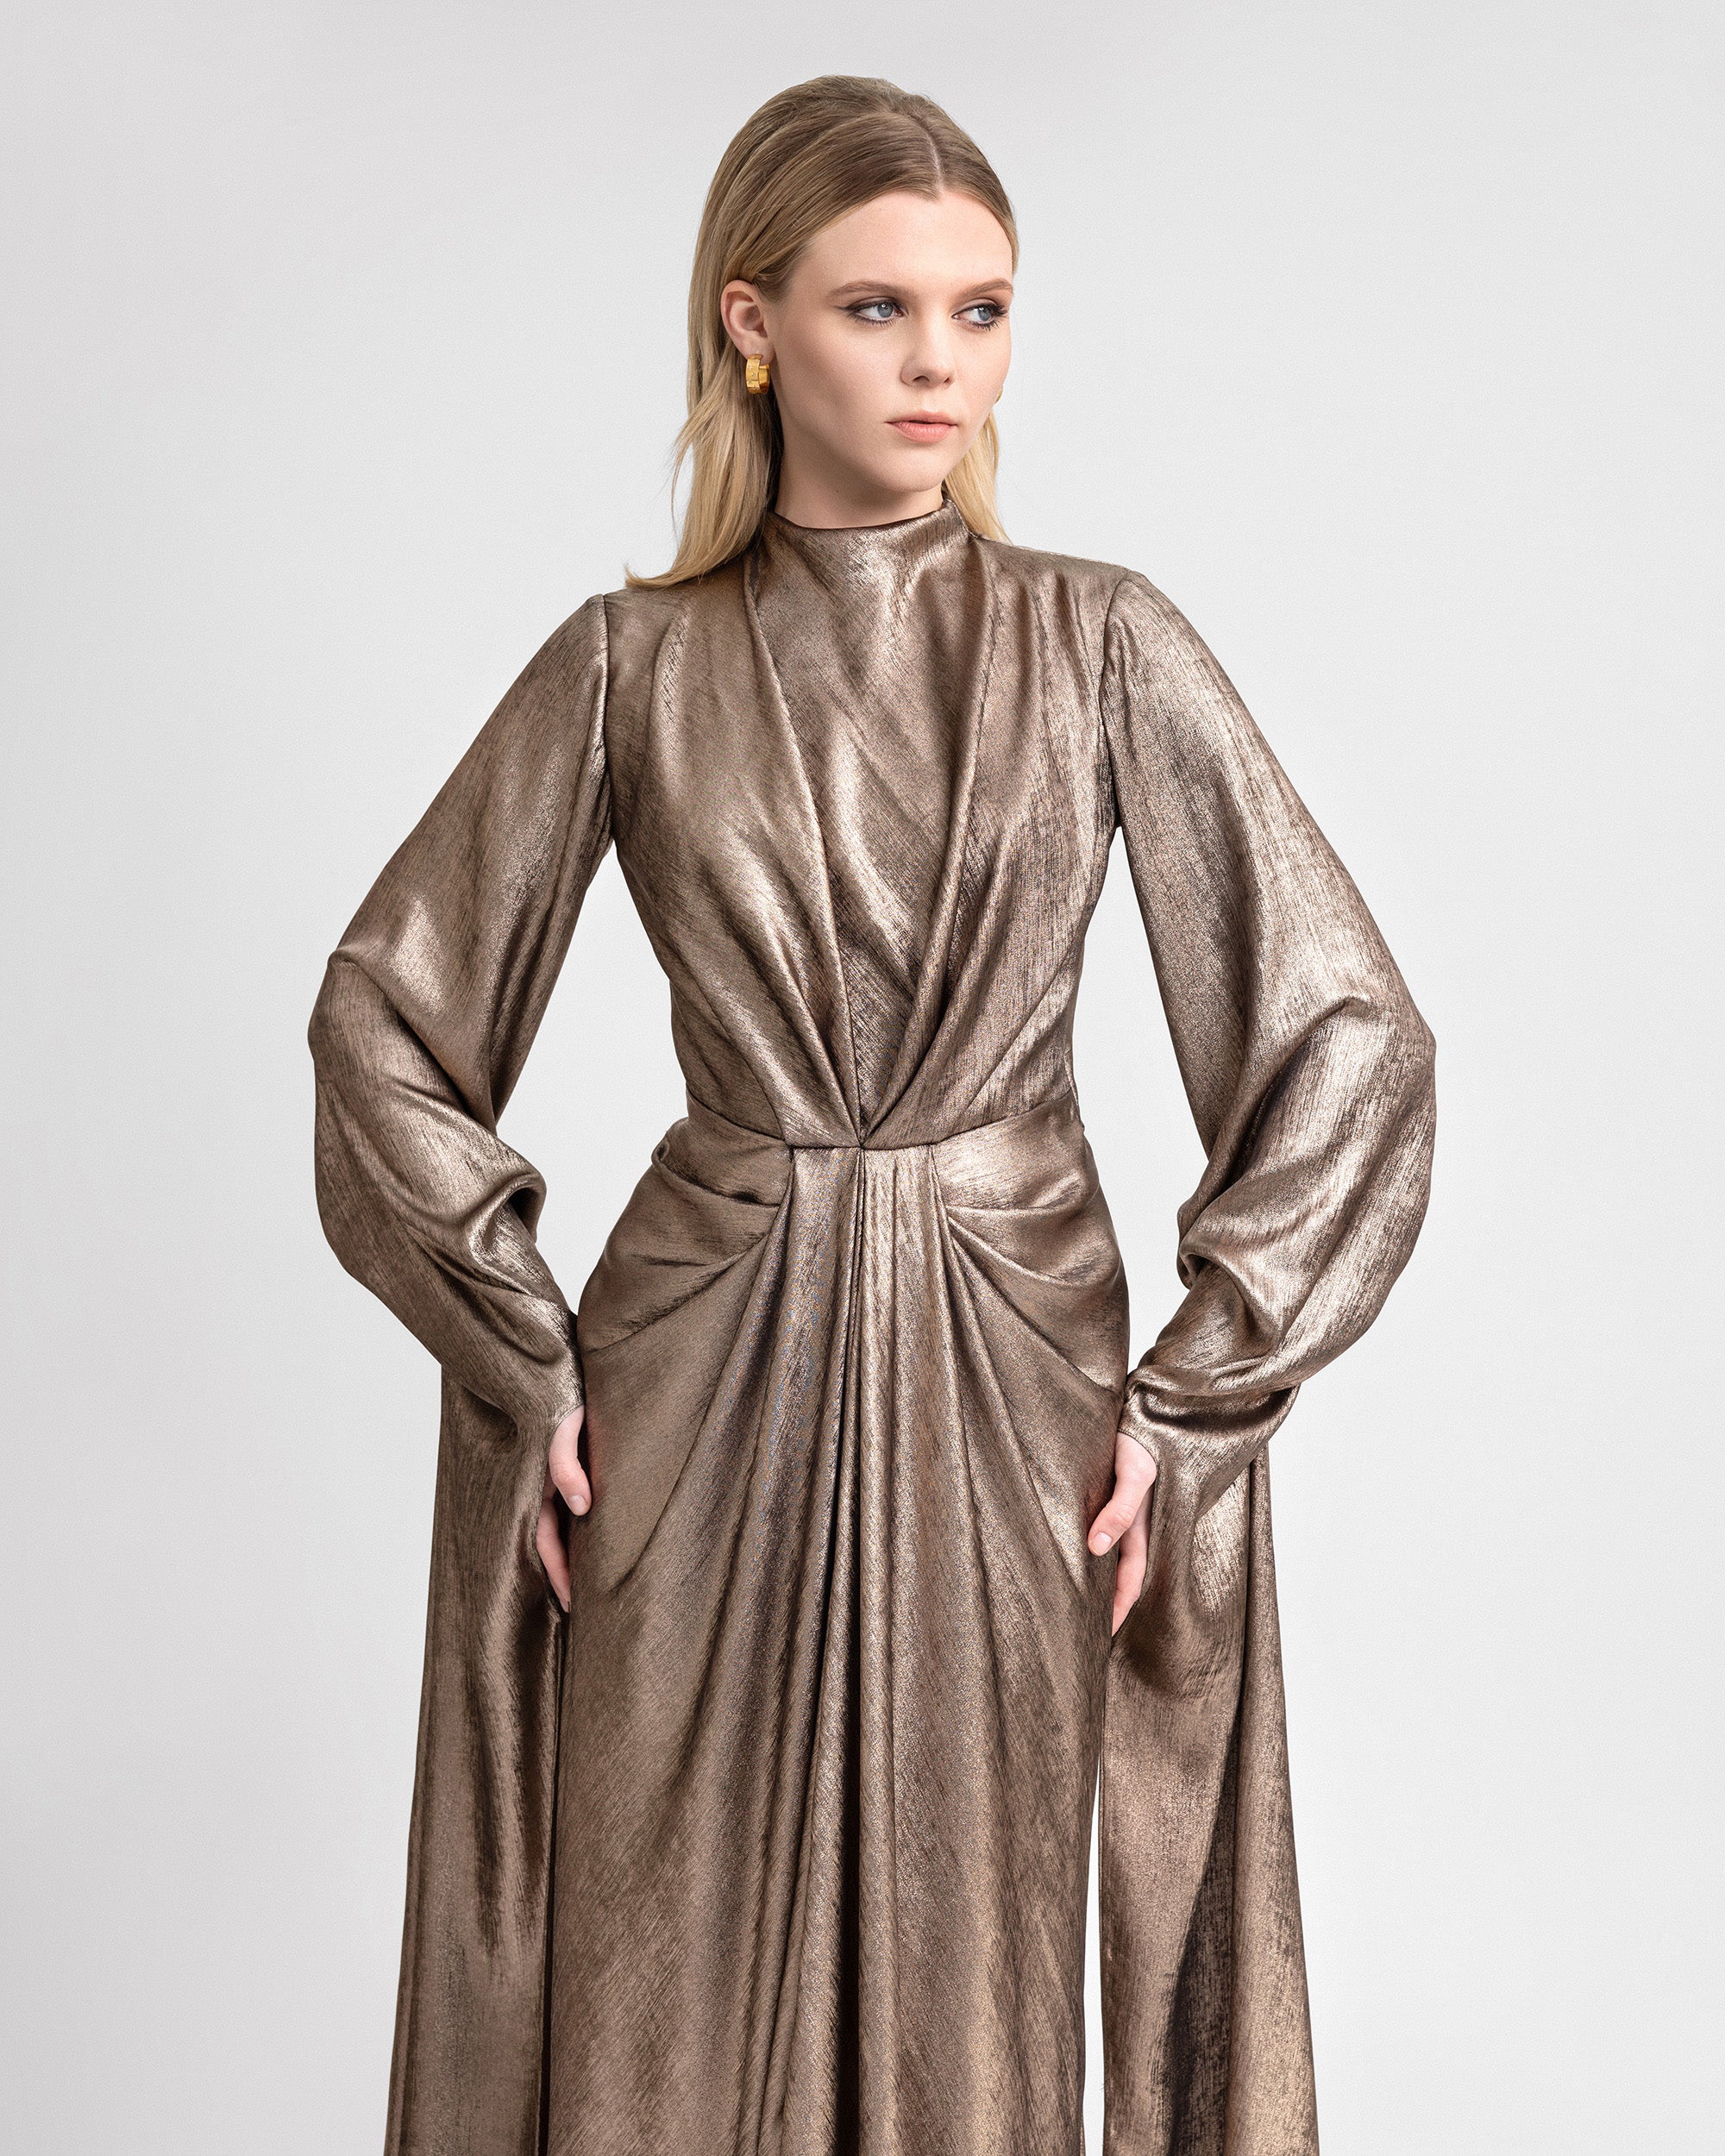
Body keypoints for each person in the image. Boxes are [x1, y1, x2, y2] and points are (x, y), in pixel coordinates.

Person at [308, 73, 1435, 2156]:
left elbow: (1350, 1036)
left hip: (1009, 1380)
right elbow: (384, 1019)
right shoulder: (629, 665)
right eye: (878, 307)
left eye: (979, 311)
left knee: (972, 1979)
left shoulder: (1098, 642)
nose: (939, 363)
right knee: (656, 1974)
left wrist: (1198, 1397)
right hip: (692, 1389)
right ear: (751, 325)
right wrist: (522, 1346)